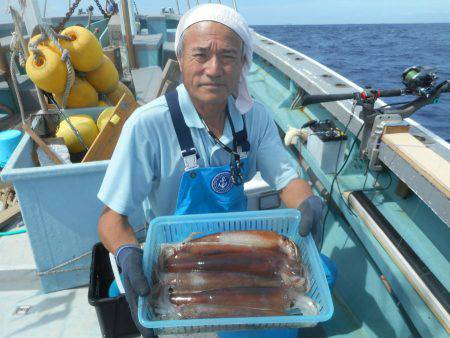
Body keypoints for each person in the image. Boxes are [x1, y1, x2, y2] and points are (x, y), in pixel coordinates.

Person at [97, 4, 324, 337]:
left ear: (243, 64)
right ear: (181, 58)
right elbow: (110, 219)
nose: (214, 69)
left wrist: (307, 201)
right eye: (201, 55)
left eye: (228, 57)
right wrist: (128, 251)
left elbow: (287, 179)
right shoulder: (147, 126)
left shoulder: (254, 117)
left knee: (322, 275)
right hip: (176, 253)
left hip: (238, 245)